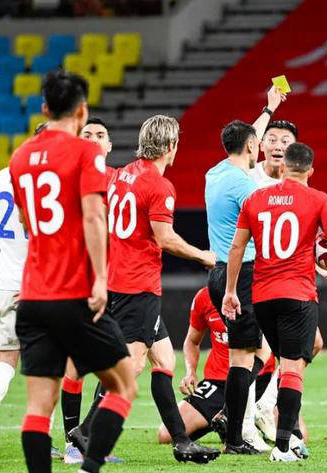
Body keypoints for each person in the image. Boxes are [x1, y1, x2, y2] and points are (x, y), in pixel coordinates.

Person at [70, 114, 220, 464]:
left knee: (164, 360)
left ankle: (182, 442)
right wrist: (203, 255)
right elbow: (165, 239)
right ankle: (86, 430)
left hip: (119, 280)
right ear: (170, 146)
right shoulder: (159, 186)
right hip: (137, 287)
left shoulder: (122, 174)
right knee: (132, 365)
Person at [10, 69, 135, 473]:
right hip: (74, 292)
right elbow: (94, 217)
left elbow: (28, 222)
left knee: (37, 407)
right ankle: (89, 468)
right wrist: (100, 279)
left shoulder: (20, 157)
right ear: (82, 111)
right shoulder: (85, 154)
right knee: (124, 383)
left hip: (33, 294)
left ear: (45, 108)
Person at [222, 142, 327, 461]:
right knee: (293, 368)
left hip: (262, 298)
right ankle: (284, 446)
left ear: (283, 167)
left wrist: (230, 291)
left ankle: (289, 438)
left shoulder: (255, 199)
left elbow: (237, 248)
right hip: (298, 295)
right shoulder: (318, 199)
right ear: (311, 170)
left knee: (287, 363)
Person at [0, 121, 66, 463]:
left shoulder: (1, 176)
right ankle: (44, 438)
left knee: (4, 359)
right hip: (43, 281)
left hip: (7, 280)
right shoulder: (53, 180)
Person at [248, 119, 327, 448]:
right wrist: (269, 108)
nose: (277, 145)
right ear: (259, 145)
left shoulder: (301, 193)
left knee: (309, 345)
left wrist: (322, 267)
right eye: (271, 138)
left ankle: (265, 405)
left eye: (285, 140)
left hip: (276, 283)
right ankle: (245, 416)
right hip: (254, 276)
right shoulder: (250, 179)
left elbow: (294, 241)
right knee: (253, 352)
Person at [204, 85, 286, 454]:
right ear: (253, 146)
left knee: (260, 349)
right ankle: (234, 437)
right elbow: (266, 228)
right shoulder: (246, 187)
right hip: (243, 275)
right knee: (243, 356)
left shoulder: (215, 173)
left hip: (219, 272)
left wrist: (268, 109)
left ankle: (232, 422)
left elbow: (247, 139)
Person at [59, 116, 119, 465]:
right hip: (81, 282)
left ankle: (87, 440)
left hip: (118, 284)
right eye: (88, 134)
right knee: (77, 363)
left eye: (101, 135)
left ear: (109, 145)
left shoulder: (118, 181)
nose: (94, 139)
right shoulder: (68, 181)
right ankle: (74, 444)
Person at [157, 287, 280, 445]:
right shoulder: (204, 296)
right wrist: (191, 372)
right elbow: (192, 341)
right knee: (167, 434)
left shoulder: (261, 290)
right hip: (218, 383)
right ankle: (223, 421)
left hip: (258, 381)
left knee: (297, 434)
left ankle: (251, 412)